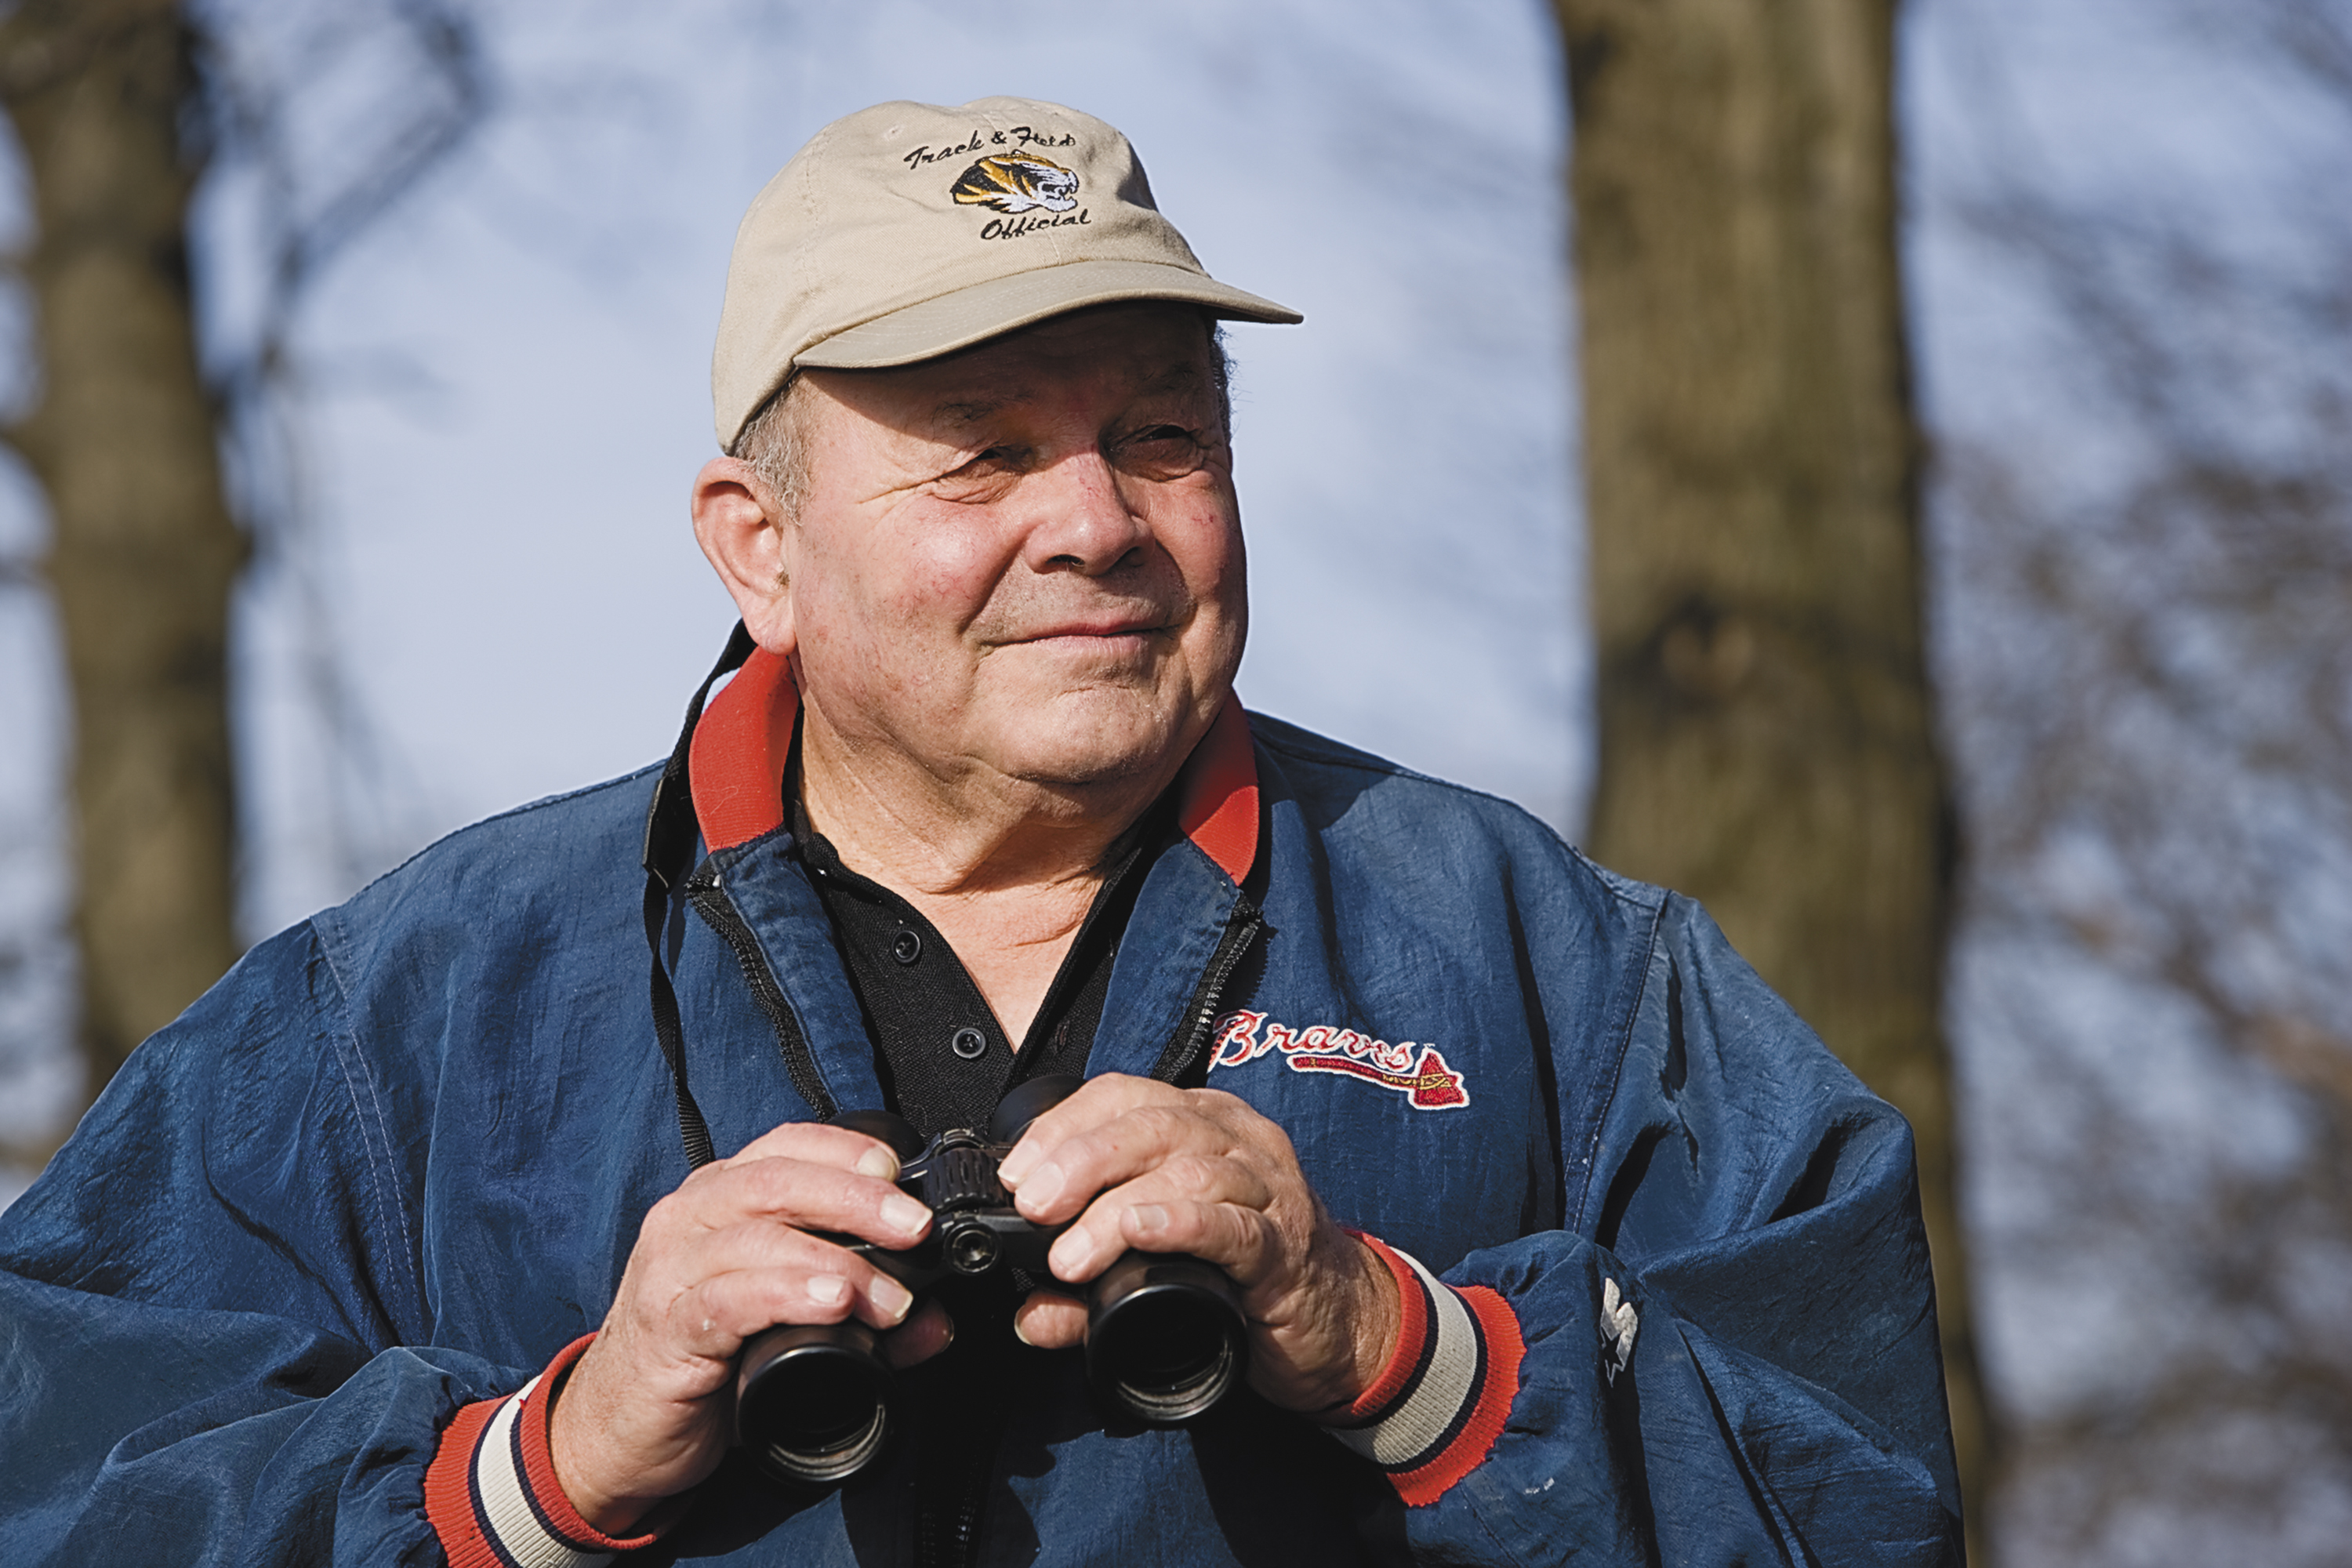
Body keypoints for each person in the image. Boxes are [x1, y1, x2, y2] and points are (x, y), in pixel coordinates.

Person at [0, 97, 1962, 1566]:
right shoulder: (412, 1012)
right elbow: (68, 1479)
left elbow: (1859, 1493)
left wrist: (1400, 1342)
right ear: (757, 551)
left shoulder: (1547, 957)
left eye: (1164, 436)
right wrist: (547, 1462)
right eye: (987, 454)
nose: (1098, 519)